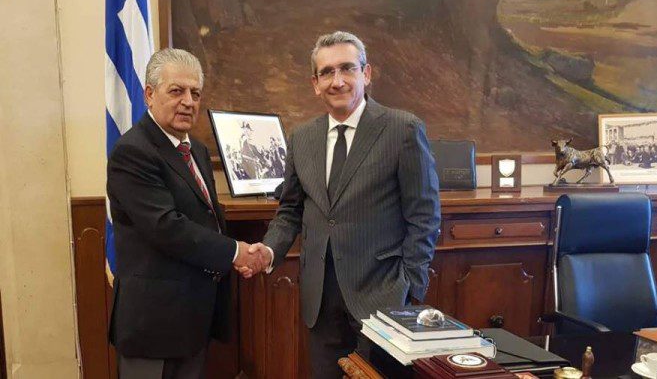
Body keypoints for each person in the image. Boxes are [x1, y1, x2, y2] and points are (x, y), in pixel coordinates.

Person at [245, 31, 441, 377]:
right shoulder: (302, 138)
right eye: (327, 72)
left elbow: (424, 216)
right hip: (320, 302)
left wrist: (410, 286)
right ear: (315, 84)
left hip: (383, 297)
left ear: (366, 73)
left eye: (348, 68)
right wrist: (270, 250)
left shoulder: (403, 129)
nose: (338, 81)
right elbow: (290, 210)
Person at [106, 48, 264, 379]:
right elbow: (166, 227)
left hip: (193, 320)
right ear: (149, 95)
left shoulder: (197, 150)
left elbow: (207, 218)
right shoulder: (133, 151)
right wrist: (235, 252)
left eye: (195, 93)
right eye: (176, 91)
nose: (188, 102)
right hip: (153, 325)